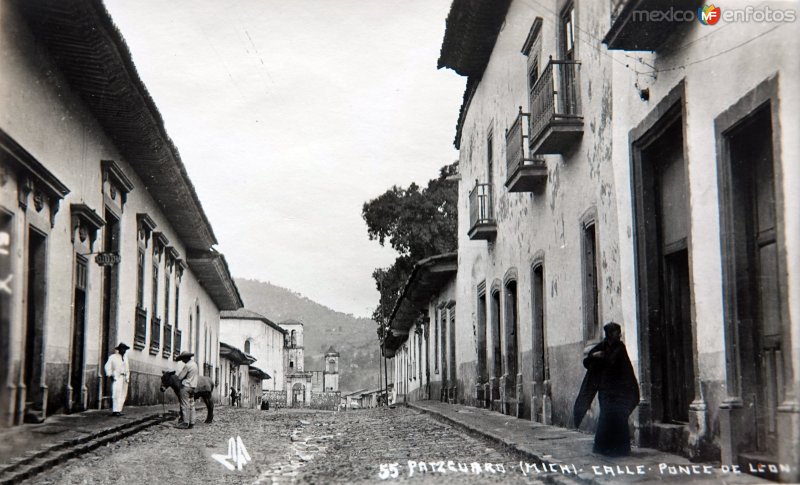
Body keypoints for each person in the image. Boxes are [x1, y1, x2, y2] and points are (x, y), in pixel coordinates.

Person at [574, 322, 639, 456]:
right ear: (609, 334)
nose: (619, 335)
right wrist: (594, 356)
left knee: (619, 418)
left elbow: (620, 365)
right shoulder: (601, 346)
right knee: (606, 417)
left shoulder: (620, 347)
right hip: (605, 390)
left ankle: (621, 449)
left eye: (619, 332)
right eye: (616, 332)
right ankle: (603, 448)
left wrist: (604, 356)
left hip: (618, 390)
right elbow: (586, 362)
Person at [104, 343, 130, 416]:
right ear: (119, 350)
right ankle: (115, 410)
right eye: (122, 349)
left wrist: (127, 377)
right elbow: (107, 366)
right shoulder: (113, 357)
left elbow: (127, 369)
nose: (123, 350)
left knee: (123, 394)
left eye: (124, 349)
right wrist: (110, 375)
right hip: (117, 377)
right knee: (116, 393)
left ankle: (119, 410)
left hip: (124, 378)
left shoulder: (125, 358)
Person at [175, 351, 198, 429]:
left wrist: (180, 375)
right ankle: (192, 422)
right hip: (193, 387)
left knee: (184, 404)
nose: (182, 361)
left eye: (182, 359)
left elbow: (180, 377)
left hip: (186, 386)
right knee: (192, 404)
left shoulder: (187, 366)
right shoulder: (194, 364)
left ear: (186, 358)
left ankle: (185, 422)